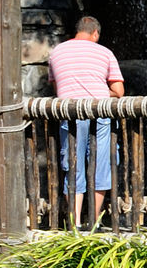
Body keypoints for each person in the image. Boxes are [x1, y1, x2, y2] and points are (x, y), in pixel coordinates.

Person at [48, 15, 124, 228]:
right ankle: (94, 220)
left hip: (69, 113)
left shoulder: (56, 52)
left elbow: (57, 88)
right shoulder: (105, 52)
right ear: (95, 33)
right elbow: (119, 91)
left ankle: (76, 223)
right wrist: (100, 91)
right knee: (101, 164)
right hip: (99, 113)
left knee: (73, 166)